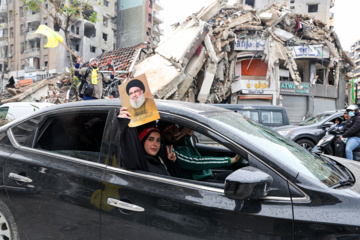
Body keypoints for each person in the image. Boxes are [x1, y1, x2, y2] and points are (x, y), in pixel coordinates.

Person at [158, 122, 240, 180]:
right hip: (196, 182)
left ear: (177, 128)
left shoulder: (181, 142)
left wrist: (189, 131)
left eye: (173, 130)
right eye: (168, 134)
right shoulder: (171, 150)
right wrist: (230, 160)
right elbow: (196, 162)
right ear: (163, 137)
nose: (173, 135)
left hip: (203, 175)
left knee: (234, 175)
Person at [117, 107, 177, 176]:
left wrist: (170, 162)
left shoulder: (159, 158)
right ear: (142, 141)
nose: (155, 144)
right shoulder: (139, 162)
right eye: (150, 139)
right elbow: (129, 147)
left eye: (158, 140)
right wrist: (123, 122)